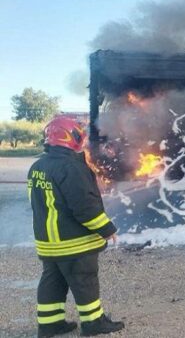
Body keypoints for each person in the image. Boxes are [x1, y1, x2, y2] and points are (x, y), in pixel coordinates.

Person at [29, 116, 125, 337]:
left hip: (48, 242)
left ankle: (50, 324)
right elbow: (84, 206)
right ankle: (93, 323)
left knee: (53, 281)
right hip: (73, 242)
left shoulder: (37, 167)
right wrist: (106, 229)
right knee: (84, 280)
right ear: (70, 137)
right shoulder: (71, 167)